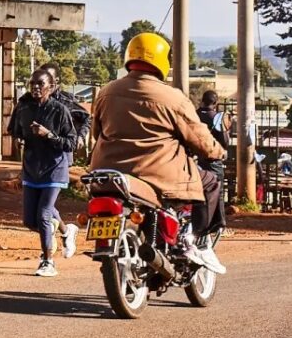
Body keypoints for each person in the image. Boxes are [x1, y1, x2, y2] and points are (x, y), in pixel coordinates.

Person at [89, 32, 227, 275]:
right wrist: (218, 152)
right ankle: (199, 242)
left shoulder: (106, 91)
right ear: (163, 61)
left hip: (108, 171)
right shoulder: (172, 97)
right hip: (159, 175)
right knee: (211, 182)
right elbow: (200, 139)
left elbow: (95, 131)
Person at [8, 68, 77, 277]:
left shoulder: (59, 110)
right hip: (31, 169)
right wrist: (20, 138)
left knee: (44, 214)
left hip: (54, 169)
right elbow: (13, 129)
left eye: (41, 84)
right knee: (30, 220)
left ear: (51, 87)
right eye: (33, 84)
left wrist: (49, 135)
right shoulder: (24, 107)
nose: (36, 88)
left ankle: (48, 261)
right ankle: (66, 231)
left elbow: (71, 143)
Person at [40, 62, 89, 259]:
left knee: (45, 201)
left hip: (60, 154)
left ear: (56, 82)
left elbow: (86, 118)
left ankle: (50, 248)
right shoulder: (34, 101)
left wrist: (80, 137)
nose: (44, 85)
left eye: (49, 81)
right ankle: (66, 230)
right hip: (38, 157)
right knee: (41, 200)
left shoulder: (65, 101)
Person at [196, 90, 230, 238]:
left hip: (194, 158)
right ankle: (220, 225)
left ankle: (197, 225)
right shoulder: (217, 117)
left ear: (202, 100)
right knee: (218, 192)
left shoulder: (194, 115)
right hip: (212, 159)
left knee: (196, 193)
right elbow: (225, 141)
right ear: (215, 103)